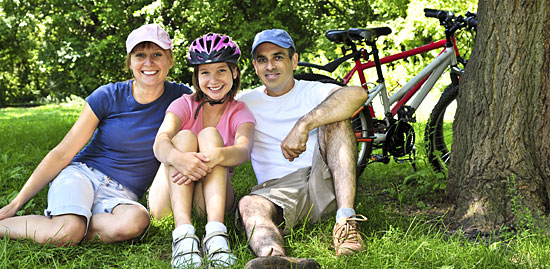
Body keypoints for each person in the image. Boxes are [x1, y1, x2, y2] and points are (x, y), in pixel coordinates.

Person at [0, 24, 191, 246]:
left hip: (122, 195)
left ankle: (69, 224)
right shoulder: (108, 95)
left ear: (170, 60)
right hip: (82, 176)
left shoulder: (181, 98)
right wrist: (15, 204)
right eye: (140, 55)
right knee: (65, 233)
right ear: (130, 62)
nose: (149, 63)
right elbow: (63, 153)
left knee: (135, 223)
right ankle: (63, 226)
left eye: (157, 55)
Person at [236, 29, 369, 268]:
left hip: (324, 180)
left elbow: (357, 94)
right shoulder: (246, 102)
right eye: (262, 60)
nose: (270, 66)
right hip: (277, 192)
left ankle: (346, 222)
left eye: (278, 57)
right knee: (249, 204)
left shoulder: (312, 90)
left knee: (337, 120)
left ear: (293, 60)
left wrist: (304, 124)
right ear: (255, 66)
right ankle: (275, 258)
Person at [147, 33, 255, 268]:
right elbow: (160, 142)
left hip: (209, 200)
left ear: (234, 72)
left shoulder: (239, 111)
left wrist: (216, 155)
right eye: (205, 72)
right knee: (183, 137)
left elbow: (244, 149)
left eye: (221, 71)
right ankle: (183, 236)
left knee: (209, 136)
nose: (213, 80)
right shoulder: (183, 104)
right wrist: (180, 159)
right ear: (196, 75)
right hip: (168, 199)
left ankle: (216, 235)